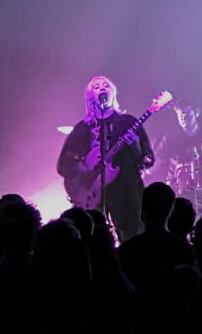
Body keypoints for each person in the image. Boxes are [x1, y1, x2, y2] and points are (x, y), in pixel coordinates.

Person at [57, 76, 154, 242]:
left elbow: (148, 159)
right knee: (93, 239)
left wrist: (136, 146)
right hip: (93, 194)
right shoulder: (83, 128)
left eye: (106, 85)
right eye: (96, 86)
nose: (102, 88)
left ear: (113, 93)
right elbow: (63, 165)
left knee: (133, 237)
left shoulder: (128, 122)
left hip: (126, 191)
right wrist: (84, 167)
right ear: (90, 97)